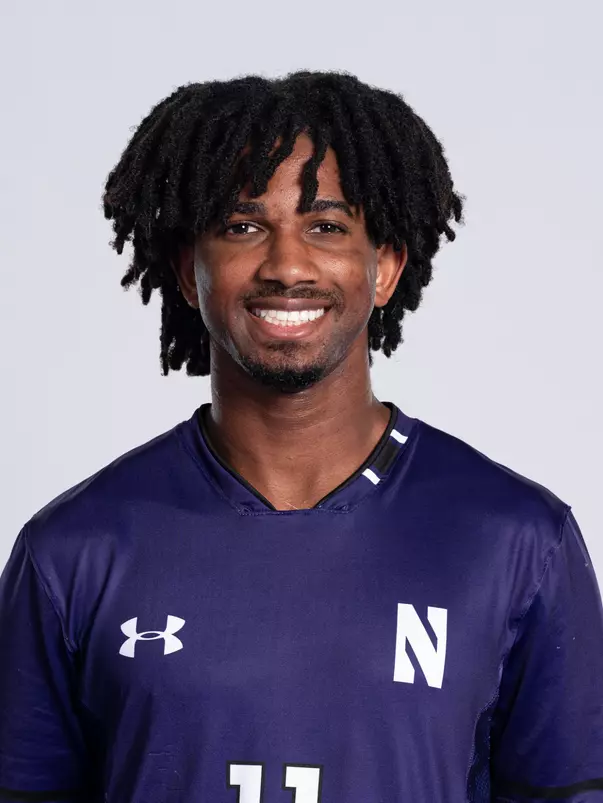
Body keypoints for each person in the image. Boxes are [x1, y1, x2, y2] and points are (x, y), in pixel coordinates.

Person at [0, 70, 601, 803]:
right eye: (241, 226)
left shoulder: (516, 539)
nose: (286, 264)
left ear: (384, 267)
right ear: (189, 274)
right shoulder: (73, 548)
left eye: (325, 227)